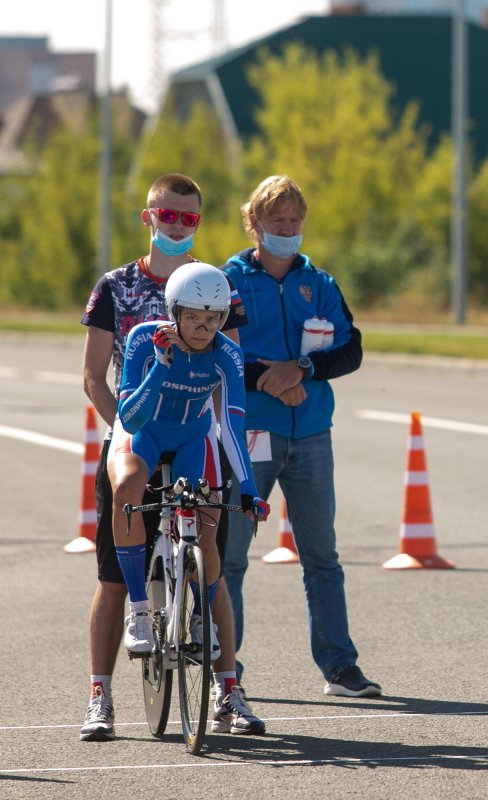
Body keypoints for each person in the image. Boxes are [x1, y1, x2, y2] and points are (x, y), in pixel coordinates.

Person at [80, 174, 266, 741]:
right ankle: (100, 696)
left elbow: (225, 391)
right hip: (134, 433)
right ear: (149, 216)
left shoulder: (212, 288)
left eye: (190, 218)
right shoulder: (116, 287)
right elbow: (93, 377)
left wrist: (243, 481)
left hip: (194, 434)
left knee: (208, 550)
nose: (179, 225)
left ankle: (228, 691)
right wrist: (127, 438)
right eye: (170, 215)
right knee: (114, 578)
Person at [221, 174, 381, 698]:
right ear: (255, 225)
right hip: (249, 433)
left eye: (294, 221)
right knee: (232, 558)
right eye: (276, 222)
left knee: (322, 557)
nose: (287, 230)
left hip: (312, 433)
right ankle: (227, 670)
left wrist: (302, 371)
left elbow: (350, 348)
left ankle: (340, 667)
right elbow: (216, 349)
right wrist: (272, 378)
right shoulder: (229, 280)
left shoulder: (322, 282)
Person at [111, 263, 269, 663]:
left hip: (192, 439)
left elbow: (232, 425)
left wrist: (249, 489)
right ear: (174, 313)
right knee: (127, 489)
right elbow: (130, 418)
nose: (204, 327)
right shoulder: (146, 338)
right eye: (194, 317)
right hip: (146, 434)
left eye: (213, 318)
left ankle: (200, 616)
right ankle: (141, 610)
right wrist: (161, 367)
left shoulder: (228, 354)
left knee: (207, 520)